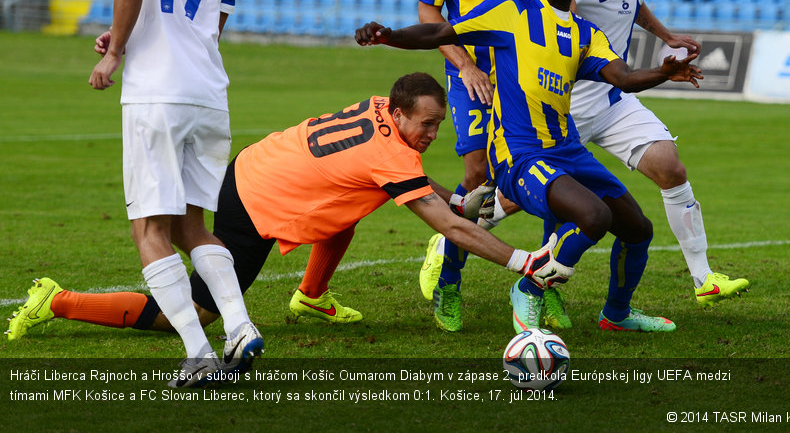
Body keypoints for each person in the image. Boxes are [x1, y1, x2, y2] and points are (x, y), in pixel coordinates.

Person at [5, 74, 570, 344]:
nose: (432, 133)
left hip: (258, 165)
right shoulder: (392, 152)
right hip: (257, 203)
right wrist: (523, 260)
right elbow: (447, 226)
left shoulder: (379, 111)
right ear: (397, 114)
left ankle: (312, 296)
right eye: (426, 124)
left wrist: (448, 194)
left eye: (438, 125)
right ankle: (57, 301)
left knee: (355, 202)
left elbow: (397, 178)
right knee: (196, 312)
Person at [356, 0, 703, 334]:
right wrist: (391, 37)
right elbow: (442, 32)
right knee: (592, 215)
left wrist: (662, 73)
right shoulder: (511, 11)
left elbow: (623, 78)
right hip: (519, 155)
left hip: (567, 150)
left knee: (638, 230)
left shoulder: (585, 33)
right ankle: (524, 288)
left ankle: (616, 314)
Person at [84, 0, 263, 388]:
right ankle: (238, 324)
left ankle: (199, 353)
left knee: (149, 228)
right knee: (192, 225)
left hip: (155, 94)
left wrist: (117, 52)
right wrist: (128, 34)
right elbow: (211, 26)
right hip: (208, 92)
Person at [569, 0, 749, 316]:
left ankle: (704, 278)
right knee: (510, 197)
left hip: (611, 101)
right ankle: (450, 241)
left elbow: (633, 6)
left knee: (671, 167)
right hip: (564, 107)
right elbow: (561, 21)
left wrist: (666, 36)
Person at [416, 0, 553, 332]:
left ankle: (544, 286)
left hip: (526, 73)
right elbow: (430, 12)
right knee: (476, 181)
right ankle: (449, 280)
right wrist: (466, 66)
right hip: (471, 74)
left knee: (551, 175)